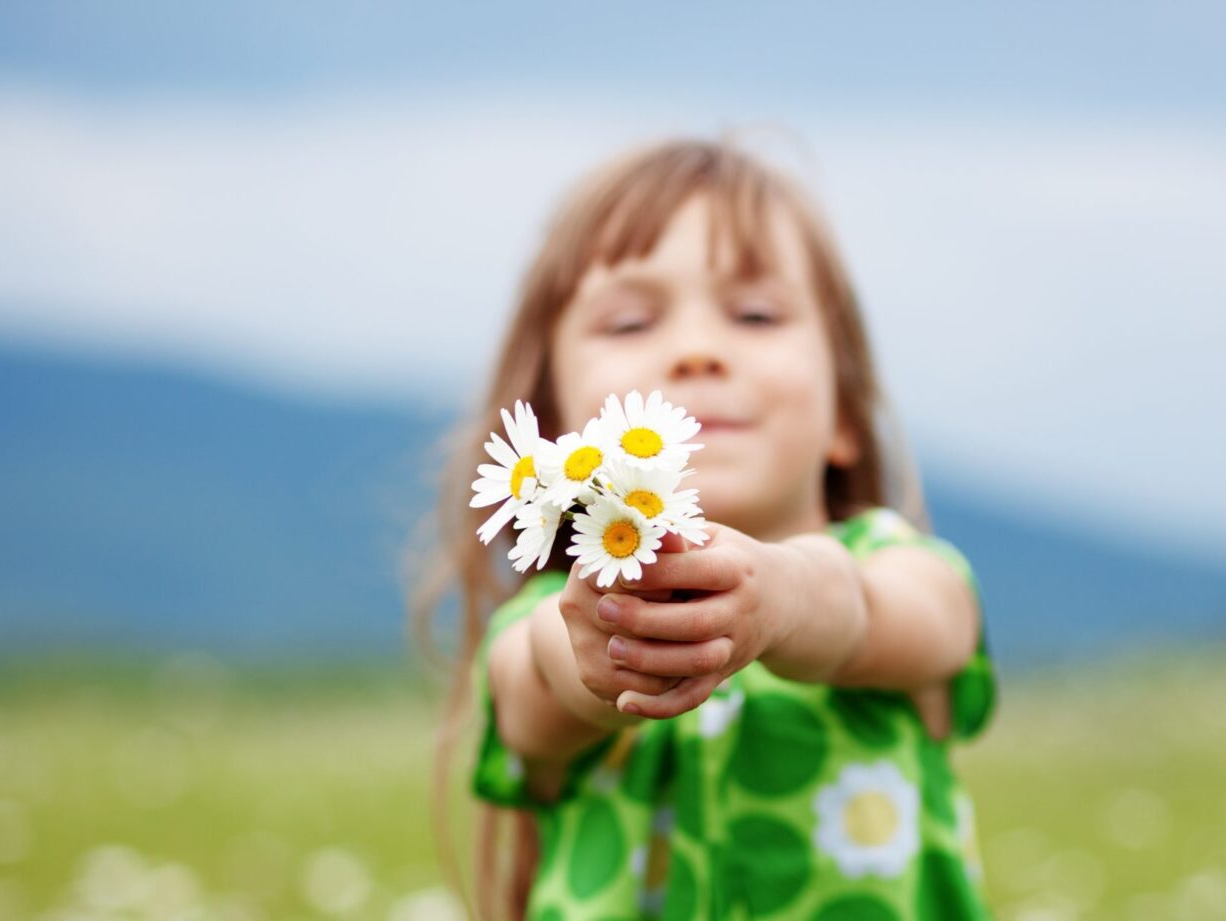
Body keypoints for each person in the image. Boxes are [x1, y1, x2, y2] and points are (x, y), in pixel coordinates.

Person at [409, 136, 997, 921]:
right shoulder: (547, 623)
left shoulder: (902, 572)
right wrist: (606, 643)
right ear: (553, 435)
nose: (695, 351)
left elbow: (900, 619)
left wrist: (787, 596)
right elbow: (536, 684)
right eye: (628, 322)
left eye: (756, 314)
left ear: (846, 418)